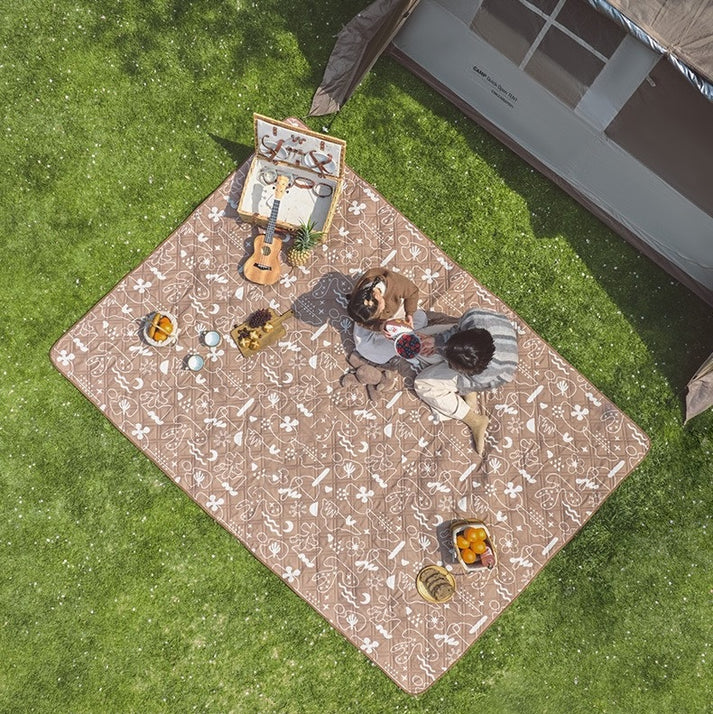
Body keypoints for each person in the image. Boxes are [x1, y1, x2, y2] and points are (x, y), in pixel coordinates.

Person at [414, 308, 518, 455]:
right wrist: (437, 342)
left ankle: (475, 421)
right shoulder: (472, 317)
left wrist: (442, 352)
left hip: (485, 376)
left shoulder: (486, 373)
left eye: (453, 366)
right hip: (472, 344)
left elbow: (471, 380)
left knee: (423, 384)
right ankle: (447, 357)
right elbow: (457, 330)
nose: (450, 366)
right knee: (419, 343)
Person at [347, 267, 428, 364]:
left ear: (377, 296)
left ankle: (397, 341)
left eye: (380, 310)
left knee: (421, 318)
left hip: (395, 311)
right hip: (370, 322)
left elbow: (413, 292)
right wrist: (380, 326)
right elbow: (362, 323)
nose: (380, 314)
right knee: (363, 347)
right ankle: (396, 342)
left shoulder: (395, 284)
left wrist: (409, 314)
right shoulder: (359, 302)